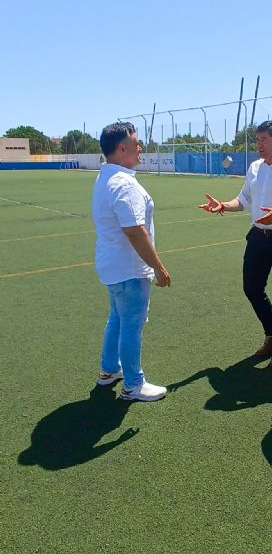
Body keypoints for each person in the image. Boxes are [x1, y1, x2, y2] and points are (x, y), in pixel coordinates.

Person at [199, 120, 272, 368]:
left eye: (264, 140)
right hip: (258, 236)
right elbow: (243, 199)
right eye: (257, 139)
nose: (258, 145)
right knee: (251, 288)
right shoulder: (255, 167)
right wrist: (223, 206)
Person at [92, 122, 171, 402]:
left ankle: (109, 370)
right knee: (131, 323)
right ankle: (133, 384)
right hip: (128, 268)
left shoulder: (106, 177)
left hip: (112, 266)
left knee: (118, 318)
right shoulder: (124, 184)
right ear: (122, 148)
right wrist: (159, 269)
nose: (140, 148)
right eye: (136, 143)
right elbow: (136, 232)